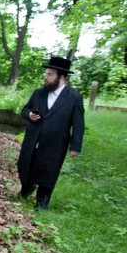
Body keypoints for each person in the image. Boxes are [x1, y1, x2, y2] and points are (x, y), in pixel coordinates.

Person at [17, 56, 85, 209]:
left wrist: (76, 145)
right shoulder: (38, 93)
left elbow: (78, 123)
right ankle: (26, 190)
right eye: (45, 74)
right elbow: (24, 110)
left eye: (50, 75)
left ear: (62, 77)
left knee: (49, 171)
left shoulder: (74, 98)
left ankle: (42, 201)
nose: (46, 77)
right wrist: (29, 115)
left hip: (55, 143)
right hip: (33, 138)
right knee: (26, 164)